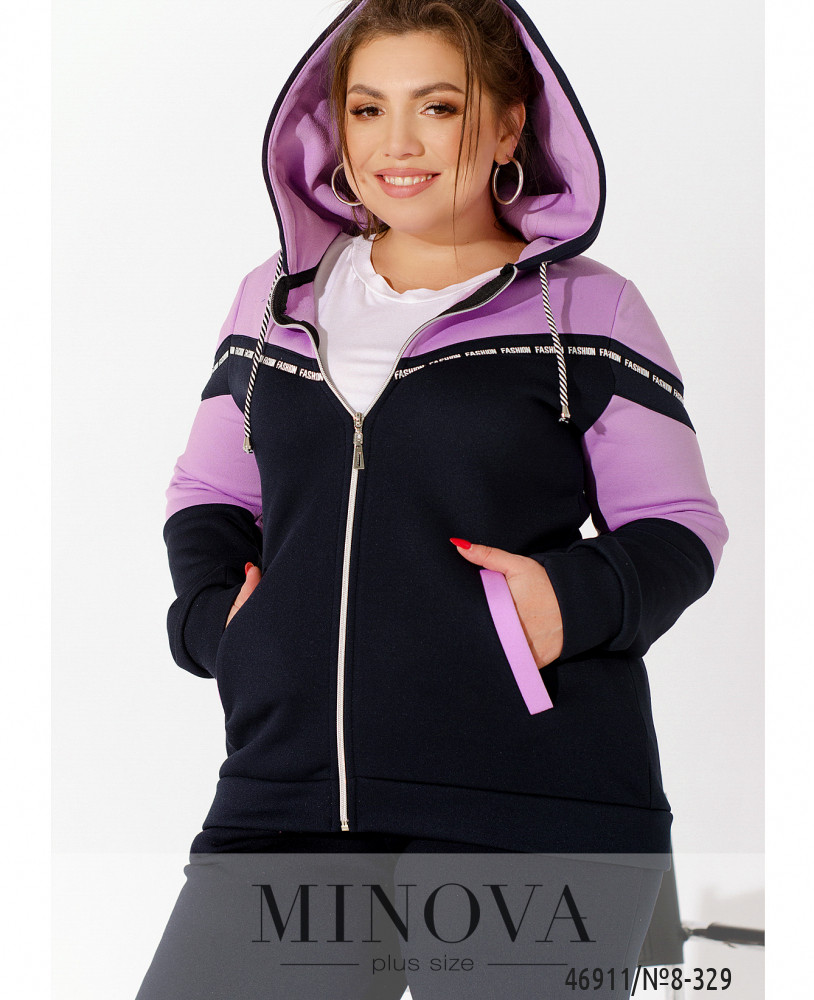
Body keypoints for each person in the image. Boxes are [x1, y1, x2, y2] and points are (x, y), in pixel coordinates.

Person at [137, 1, 728, 997]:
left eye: (438, 107)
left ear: (507, 126)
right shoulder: (275, 297)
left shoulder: (587, 307)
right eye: (367, 109)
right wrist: (216, 623)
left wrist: (562, 603)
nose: (397, 144)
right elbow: (209, 490)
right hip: (291, 793)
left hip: (538, 803)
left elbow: (679, 525)